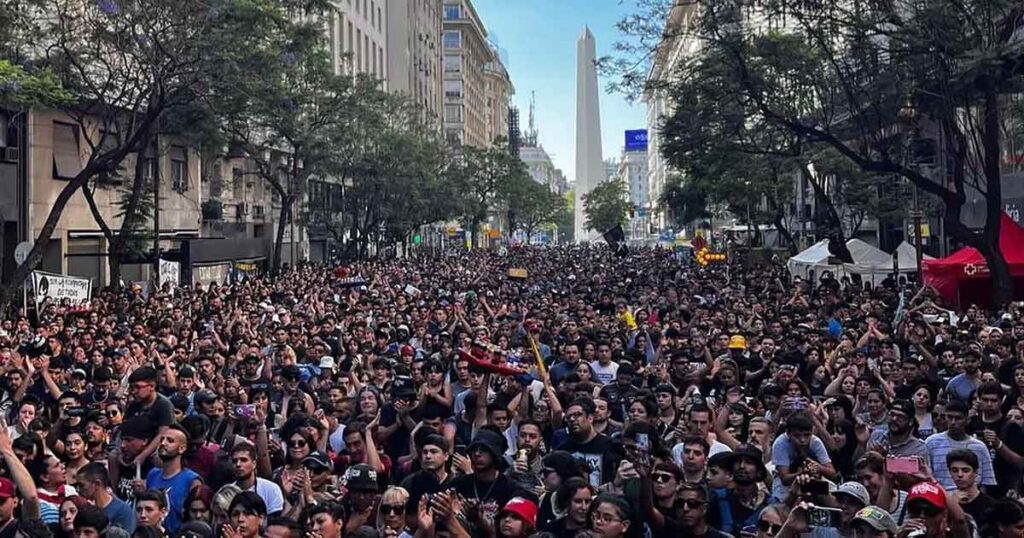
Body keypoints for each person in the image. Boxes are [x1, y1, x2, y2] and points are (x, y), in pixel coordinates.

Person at [925, 400, 997, 491]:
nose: (953, 422)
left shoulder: (979, 447)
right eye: (949, 417)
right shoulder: (932, 442)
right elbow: (926, 477)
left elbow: (986, 482)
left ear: (967, 420)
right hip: (939, 496)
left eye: (958, 418)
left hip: (971, 498)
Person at [145, 425, 201, 533]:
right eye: (162, 439)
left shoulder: (192, 480)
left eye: (170, 441)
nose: (163, 443)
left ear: (182, 448)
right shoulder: (152, 474)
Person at [556, 398, 617, 487]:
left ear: (590, 418)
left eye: (578, 415)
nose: (572, 419)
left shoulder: (610, 445)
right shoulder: (563, 450)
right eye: (568, 417)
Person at [77, 462, 137, 534]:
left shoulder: (122, 511)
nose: (78, 489)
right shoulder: (84, 508)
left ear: (97, 484)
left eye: (82, 485)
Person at [945, 449, 994, 525]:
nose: (960, 475)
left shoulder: (990, 506)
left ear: (975, 472)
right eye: (954, 470)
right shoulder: (946, 505)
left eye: (965, 470)